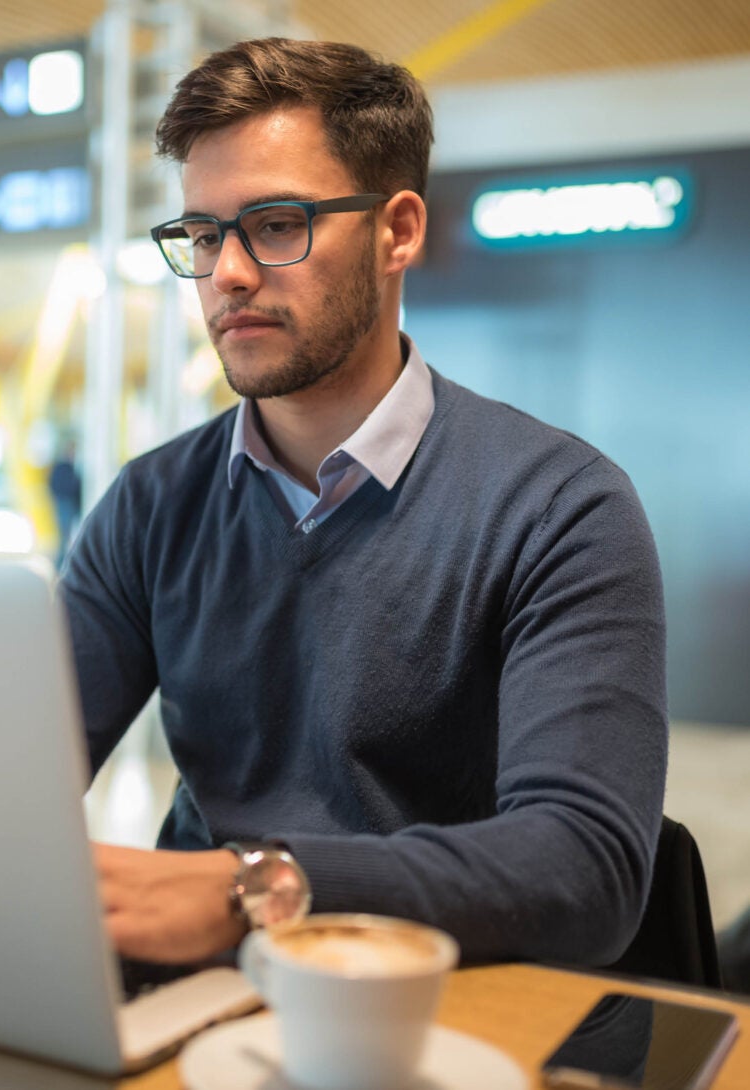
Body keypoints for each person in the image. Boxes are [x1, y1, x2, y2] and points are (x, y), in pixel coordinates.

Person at [60, 38, 667, 974]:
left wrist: (255, 889)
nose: (226, 273)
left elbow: (586, 867)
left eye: (274, 224)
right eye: (206, 234)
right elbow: (16, 778)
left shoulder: (560, 509)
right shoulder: (150, 502)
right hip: (195, 995)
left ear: (399, 231)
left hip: (438, 1000)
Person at [48, 440, 83, 568]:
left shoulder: (71, 467)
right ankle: (59, 566)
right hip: (65, 505)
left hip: (69, 505)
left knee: (68, 536)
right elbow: (57, 486)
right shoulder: (63, 467)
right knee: (64, 537)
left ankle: (61, 566)